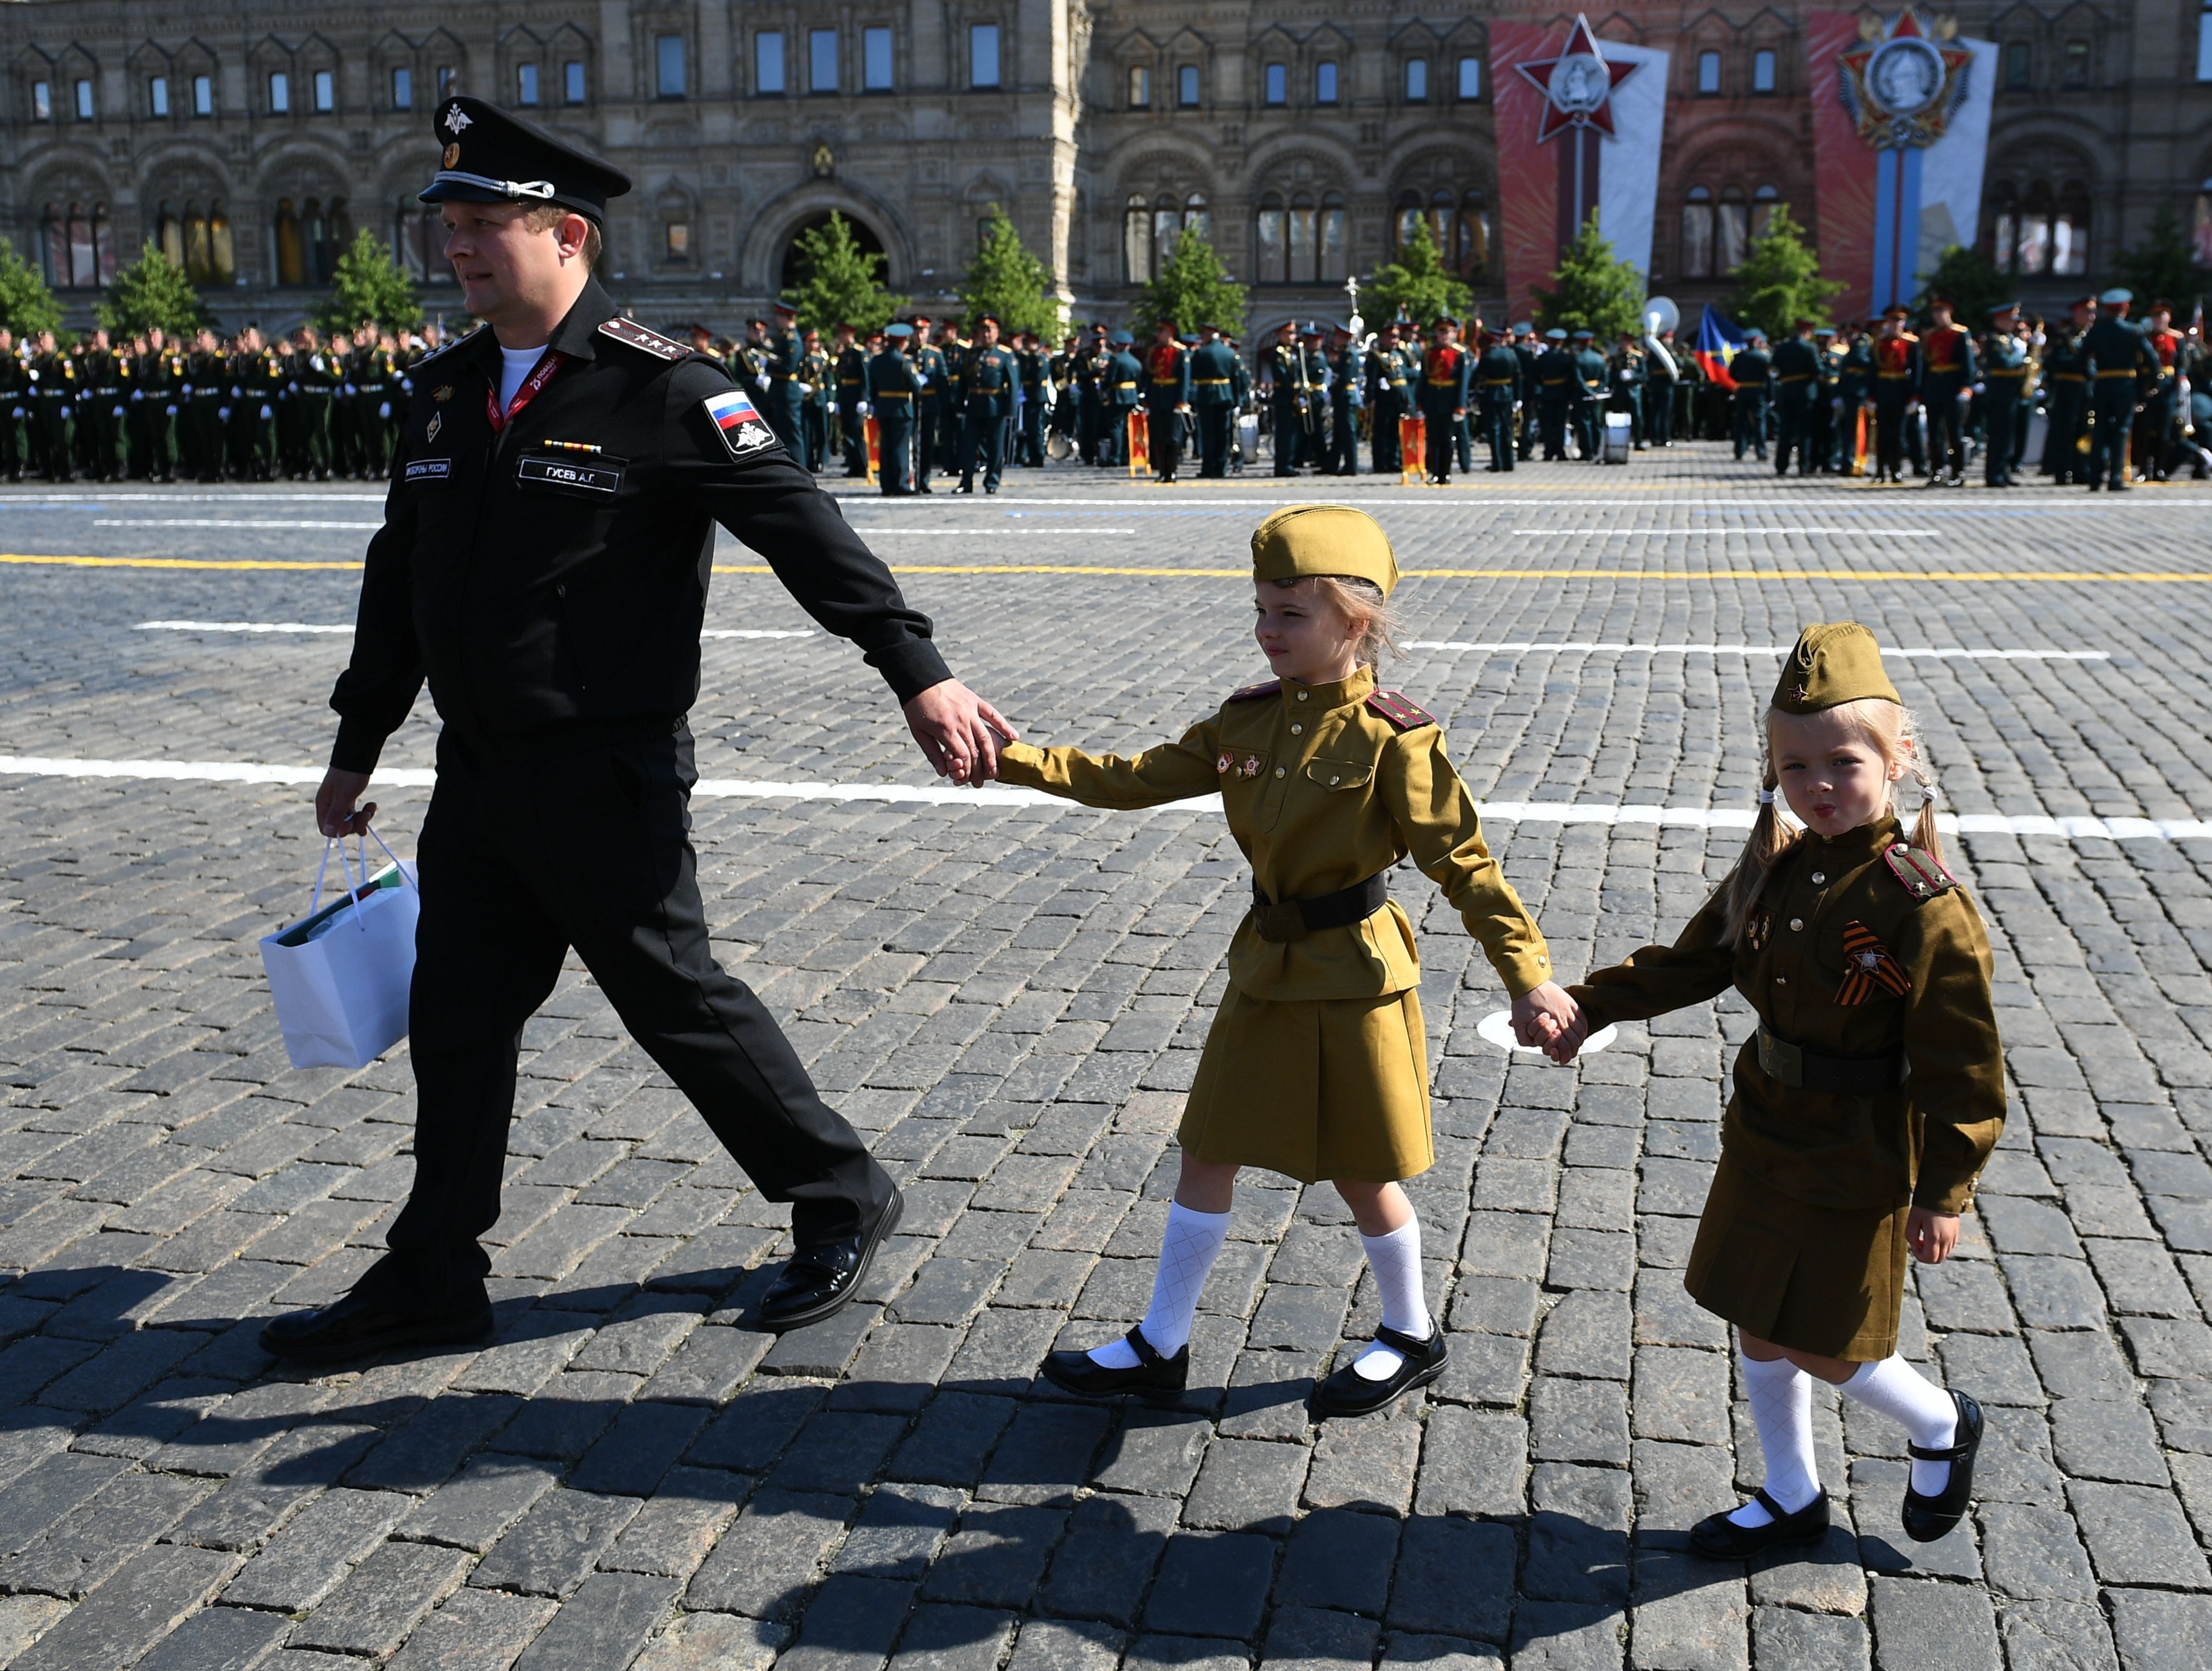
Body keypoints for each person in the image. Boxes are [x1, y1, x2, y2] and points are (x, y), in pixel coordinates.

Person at [262, 96, 1015, 1364]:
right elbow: (401, 582)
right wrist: (356, 744)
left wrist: (914, 668)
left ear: (567, 236)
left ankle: (839, 1189)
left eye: (485, 222)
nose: (457, 244)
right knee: (455, 1024)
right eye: (448, 222)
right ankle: (434, 1270)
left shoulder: (663, 389)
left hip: (604, 768)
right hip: (479, 773)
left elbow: (802, 528)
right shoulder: (442, 395)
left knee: (677, 1002)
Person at [996, 506, 1578, 1412]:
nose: (1267, 631)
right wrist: (1011, 758)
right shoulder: (1246, 721)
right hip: (1266, 968)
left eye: (1290, 615)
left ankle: (1411, 1332)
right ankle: (1161, 1342)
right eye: (1261, 610)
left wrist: (1528, 975)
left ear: (1355, 622)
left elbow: (1463, 861)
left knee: (1363, 1168)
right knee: (1207, 1148)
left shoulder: (1393, 737)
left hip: (1355, 976)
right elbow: (1129, 777)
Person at [1554, 622, 2001, 1560]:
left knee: (1829, 1339)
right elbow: (1696, 960)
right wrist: (1590, 1007)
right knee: (1757, 1314)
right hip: (1765, 1126)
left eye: (1843, 760)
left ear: (1898, 757)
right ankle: (1791, 1494)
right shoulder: (1778, 867)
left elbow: (1963, 1064)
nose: (1820, 784)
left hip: (1858, 1149)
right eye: (1795, 766)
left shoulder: (1921, 904)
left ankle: (1938, 1420)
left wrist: (1942, 1190)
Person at [2083, 287, 2153, 492]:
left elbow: (2082, 360)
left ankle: (2095, 479)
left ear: (2106, 310)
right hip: (2125, 386)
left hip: (2102, 385)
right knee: (2121, 431)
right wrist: (2149, 384)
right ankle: (2115, 478)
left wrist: (2091, 378)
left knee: (2100, 430)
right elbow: (2152, 361)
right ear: (2125, 309)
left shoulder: (2096, 331)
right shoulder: (2134, 331)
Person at [955, 312, 1016, 494]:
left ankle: (992, 482)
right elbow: (963, 382)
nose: (986, 334)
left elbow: (1012, 384)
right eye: (983, 330)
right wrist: (960, 405)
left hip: (995, 406)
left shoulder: (1005, 354)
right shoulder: (972, 354)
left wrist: (1010, 409)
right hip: (975, 404)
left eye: (990, 330)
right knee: (969, 446)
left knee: (995, 447)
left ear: (997, 332)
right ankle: (966, 482)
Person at [1978, 303, 2030, 487]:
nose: (2013, 323)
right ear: (2000, 320)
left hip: (2011, 392)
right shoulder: (1993, 340)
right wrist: (2020, 353)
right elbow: (2005, 363)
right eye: (2010, 319)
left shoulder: (2009, 339)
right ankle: (1994, 474)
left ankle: (2004, 470)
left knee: (2008, 435)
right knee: (1998, 435)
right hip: (1999, 393)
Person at [1868, 307, 1919, 484]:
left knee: (1898, 434)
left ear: (1904, 323)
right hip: (1883, 390)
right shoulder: (1878, 343)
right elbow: (1872, 372)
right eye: (1892, 322)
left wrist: (1914, 397)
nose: (1895, 325)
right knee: (1882, 434)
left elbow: (1916, 372)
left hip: (1901, 391)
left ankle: (1896, 470)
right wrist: (1871, 397)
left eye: (1899, 322)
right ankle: (1880, 470)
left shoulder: (1911, 343)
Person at [869, 321, 919, 494]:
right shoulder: (904, 362)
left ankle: (887, 485)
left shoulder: (876, 361)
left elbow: (873, 387)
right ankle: (901, 484)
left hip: (883, 407)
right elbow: (915, 387)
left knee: (886, 447)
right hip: (902, 408)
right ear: (903, 342)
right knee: (900, 448)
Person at [1142, 317, 1191, 482]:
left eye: (1161, 332)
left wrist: (1182, 401)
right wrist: (1147, 400)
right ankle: (1162, 471)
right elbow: (1149, 377)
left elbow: (1184, 378)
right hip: (1157, 397)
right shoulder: (1154, 351)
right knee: (1159, 436)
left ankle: (1172, 471)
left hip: (1172, 397)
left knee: (1174, 436)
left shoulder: (1179, 351)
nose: (1158, 335)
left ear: (1170, 332)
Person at [1769, 320, 1820, 476]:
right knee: (1804, 431)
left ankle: (1781, 465)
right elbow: (1818, 369)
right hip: (1805, 392)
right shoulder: (1809, 348)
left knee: (1785, 430)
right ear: (1806, 333)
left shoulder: (1782, 347)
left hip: (1786, 391)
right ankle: (1803, 466)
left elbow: (1774, 368)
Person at [1189, 322, 1238, 478]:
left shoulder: (1201, 353)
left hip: (1207, 395)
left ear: (1208, 335)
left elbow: (1194, 374)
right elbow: (1235, 378)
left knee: (1208, 434)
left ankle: (1208, 468)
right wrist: (1236, 400)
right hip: (1225, 395)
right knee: (1223, 433)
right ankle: (1221, 467)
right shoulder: (1230, 353)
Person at [1475, 327, 1520, 472]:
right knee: (1507, 428)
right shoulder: (1511, 354)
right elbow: (1517, 376)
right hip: (1507, 393)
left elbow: (1479, 375)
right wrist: (1518, 397)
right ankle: (1509, 463)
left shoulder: (1488, 356)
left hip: (1492, 393)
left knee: (1494, 429)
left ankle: (1497, 462)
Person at [1731, 331, 1771, 462]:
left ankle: (1739, 451)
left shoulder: (1739, 357)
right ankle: (1761, 452)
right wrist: (1771, 396)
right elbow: (1769, 378)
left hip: (1743, 391)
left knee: (1741, 422)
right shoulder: (1763, 357)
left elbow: (1732, 374)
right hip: (1758, 391)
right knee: (1760, 423)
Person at [1535, 327, 1573, 459]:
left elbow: (1537, 377)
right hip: (1562, 393)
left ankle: (1548, 451)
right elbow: (1571, 377)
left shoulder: (1542, 358)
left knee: (1547, 424)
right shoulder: (1566, 358)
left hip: (1547, 393)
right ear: (1561, 342)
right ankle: (1560, 451)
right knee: (1560, 424)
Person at [1569, 329, 1607, 459]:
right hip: (1598, 395)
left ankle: (1587, 451)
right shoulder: (1599, 358)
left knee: (1585, 423)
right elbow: (1604, 378)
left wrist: (1589, 393)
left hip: (1583, 395)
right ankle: (1598, 449)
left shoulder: (1578, 359)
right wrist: (1597, 392)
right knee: (1596, 423)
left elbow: (1579, 380)